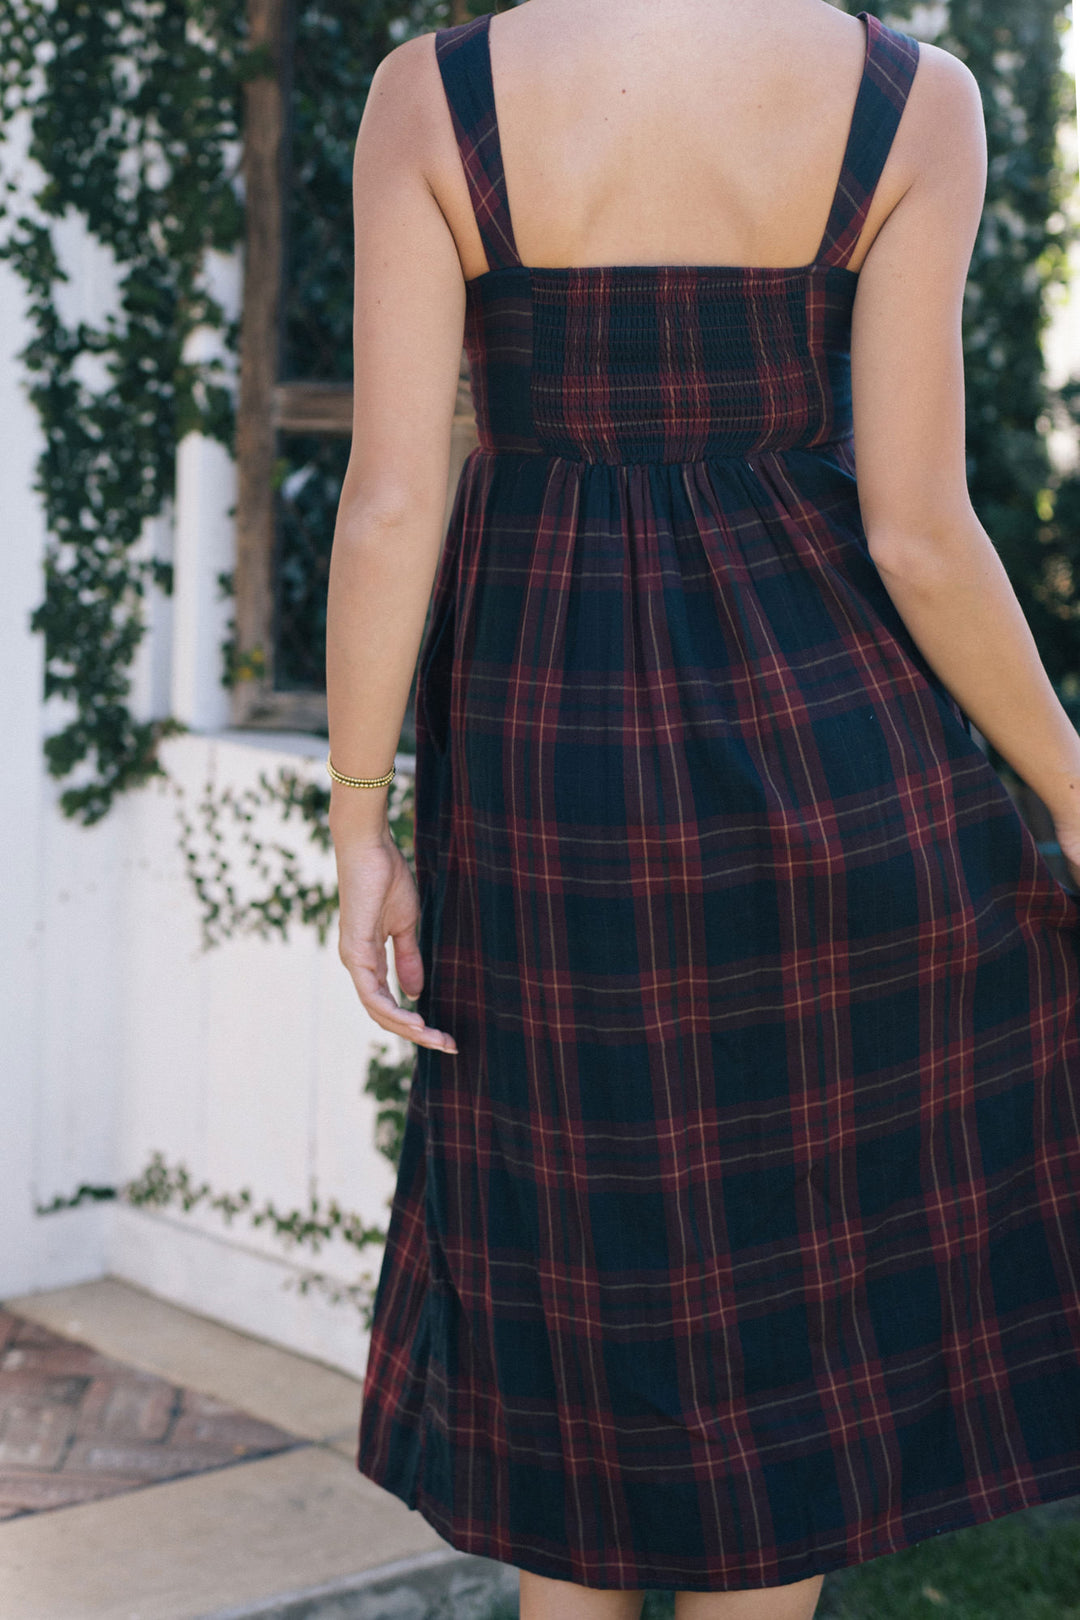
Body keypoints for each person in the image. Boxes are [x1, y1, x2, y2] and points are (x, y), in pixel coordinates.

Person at [324, 1, 1080, 1615]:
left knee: (572, 1316)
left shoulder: (433, 98)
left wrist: (357, 817)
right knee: (788, 1325)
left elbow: (392, 501)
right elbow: (921, 532)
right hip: (829, 757)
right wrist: (1072, 792)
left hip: (546, 778)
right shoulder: (913, 101)